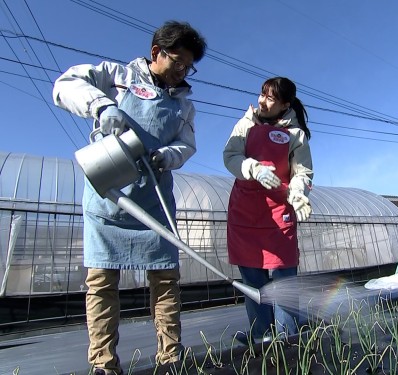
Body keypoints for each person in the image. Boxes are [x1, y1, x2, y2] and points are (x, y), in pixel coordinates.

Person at [53, 21, 206, 375]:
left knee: (166, 281)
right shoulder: (116, 75)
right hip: (109, 198)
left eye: (189, 66)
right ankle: (104, 364)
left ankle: (170, 358)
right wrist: (102, 107)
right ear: (157, 53)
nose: (182, 72)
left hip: (154, 201)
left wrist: (169, 156)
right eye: (178, 62)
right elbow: (65, 84)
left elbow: (187, 145)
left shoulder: (185, 106)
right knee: (102, 282)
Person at [223, 77, 313, 344]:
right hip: (245, 213)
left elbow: (303, 172)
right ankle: (261, 335)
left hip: (279, 213)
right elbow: (230, 156)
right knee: (253, 282)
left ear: (285, 104)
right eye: (262, 94)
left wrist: (298, 193)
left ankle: (288, 338)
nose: (262, 100)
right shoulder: (246, 123)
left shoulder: (295, 134)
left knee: (284, 280)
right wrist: (253, 168)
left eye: (270, 97)